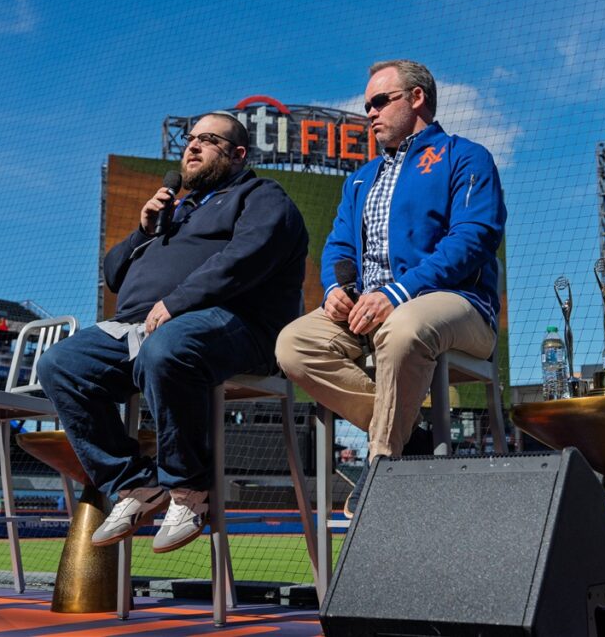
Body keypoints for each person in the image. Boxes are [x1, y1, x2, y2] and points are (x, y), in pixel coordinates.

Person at [37, 112, 308, 552]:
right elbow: (113, 274)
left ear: (238, 154)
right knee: (59, 363)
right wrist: (142, 231)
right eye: (190, 139)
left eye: (208, 140)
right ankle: (135, 485)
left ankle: (188, 490)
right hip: (139, 325)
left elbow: (248, 256)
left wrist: (178, 301)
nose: (193, 146)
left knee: (166, 348)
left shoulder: (261, 195)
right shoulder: (176, 211)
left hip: (234, 323)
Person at [276, 60, 506, 517]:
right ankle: (409, 431)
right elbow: (339, 246)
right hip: (369, 311)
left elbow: (474, 237)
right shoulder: (360, 178)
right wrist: (334, 290)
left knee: (403, 328)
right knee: (293, 345)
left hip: (458, 306)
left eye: (380, 101)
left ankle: (382, 464)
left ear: (417, 98)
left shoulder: (466, 155)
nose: (370, 113)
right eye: (367, 105)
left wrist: (399, 293)